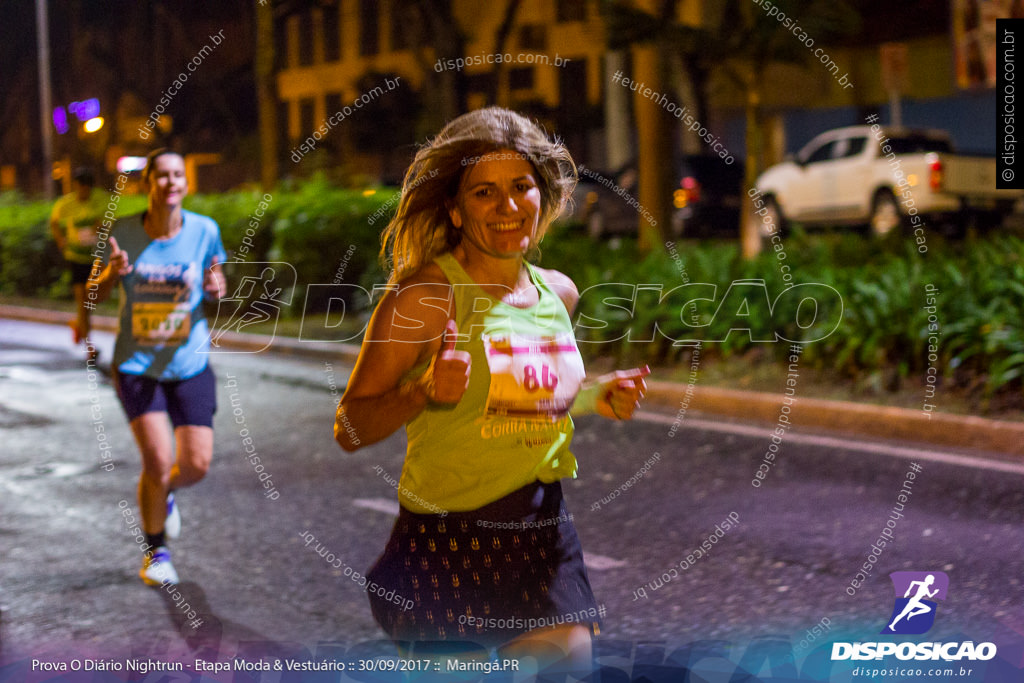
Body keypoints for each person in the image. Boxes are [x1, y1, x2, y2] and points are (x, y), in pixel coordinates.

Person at [335, 107, 649, 674]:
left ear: (541, 196)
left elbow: (519, 388)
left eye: (520, 186)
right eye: (484, 192)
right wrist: (422, 392)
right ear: (454, 209)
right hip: (447, 542)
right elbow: (349, 428)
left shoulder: (559, 294)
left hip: (542, 530)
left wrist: (592, 394)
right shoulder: (423, 298)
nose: (507, 206)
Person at [88, 149, 226, 586]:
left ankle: (164, 493)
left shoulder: (205, 230)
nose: (169, 183)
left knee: (197, 464)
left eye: (176, 175)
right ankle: (155, 552)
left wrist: (216, 287)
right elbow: (94, 290)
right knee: (158, 457)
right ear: (147, 183)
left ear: (185, 184)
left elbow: (216, 283)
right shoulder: (122, 233)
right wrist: (112, 274)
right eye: (160, 176)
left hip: (189, 361)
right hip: (137, 363)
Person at [50, 167, 107, 359]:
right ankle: (89, 347)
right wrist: (61, 241)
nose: (84, 192)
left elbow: (110, 221)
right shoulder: (66, 203)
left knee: (91, 303)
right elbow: (54, 222)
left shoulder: (100, 199)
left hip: (95, 258)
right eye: (80, 188)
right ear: (76, 187)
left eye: (87, 188)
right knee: (83, 303)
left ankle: (78, 324)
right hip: (75, 258)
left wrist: (101, 227)